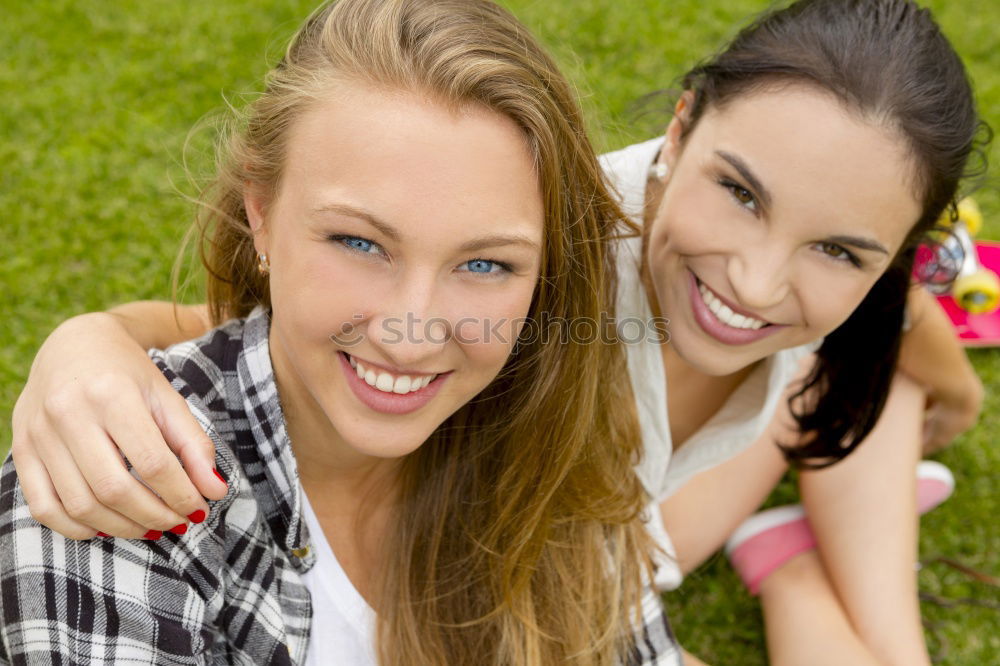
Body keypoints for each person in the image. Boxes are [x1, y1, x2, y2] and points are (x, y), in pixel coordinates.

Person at [7, 0, 989, 663]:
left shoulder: (540, 463)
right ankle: (789, 565)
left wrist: (947, 387)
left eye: (485, 263)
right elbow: (224, 341)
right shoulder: (548, 277)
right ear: (679, 132)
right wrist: (85, 342)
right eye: (359, 240)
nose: (755, 277)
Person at [0, 0, 681, 663]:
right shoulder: (116, 487)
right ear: (260, 211)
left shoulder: (548, 451)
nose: (410, 336)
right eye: (359, 243)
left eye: (484, 263)